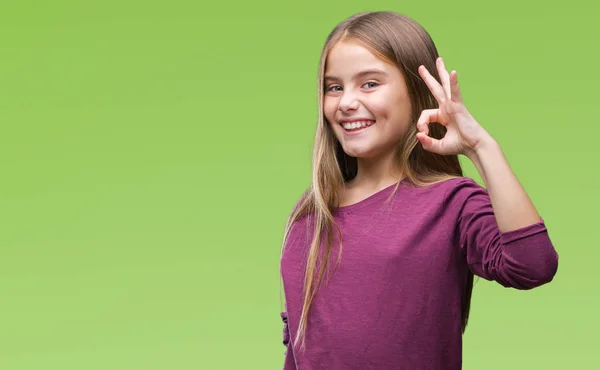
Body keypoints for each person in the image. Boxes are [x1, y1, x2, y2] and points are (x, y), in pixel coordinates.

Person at [278, 11, 559, 370]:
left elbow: (533, 265)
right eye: (334, 87)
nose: (346, 102)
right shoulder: (313, 212)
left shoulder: (452, 202)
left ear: (416, 92)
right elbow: (300, 353)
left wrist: (480, 147)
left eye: (369, 84)